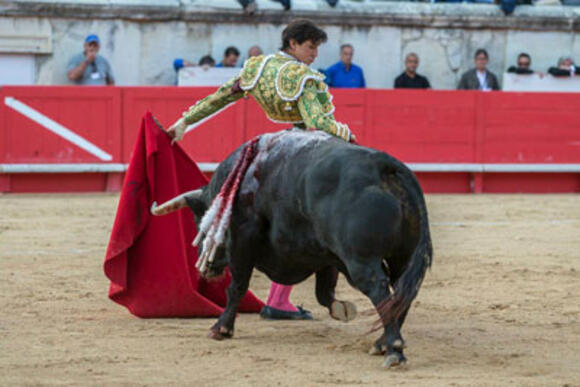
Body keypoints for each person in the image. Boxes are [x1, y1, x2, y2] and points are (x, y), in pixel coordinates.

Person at [166, 19, 356, 320]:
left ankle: (278, 299)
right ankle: (320, 294)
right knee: (324, 217)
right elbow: (317, 125)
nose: (315, 54)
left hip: (273, 151)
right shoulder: (306, 79)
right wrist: (349, 136)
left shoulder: (256, 68)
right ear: (292, 44)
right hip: (304, 154)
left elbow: (221, 97)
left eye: (317, 48)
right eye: (310, 47)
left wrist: (184, 122)